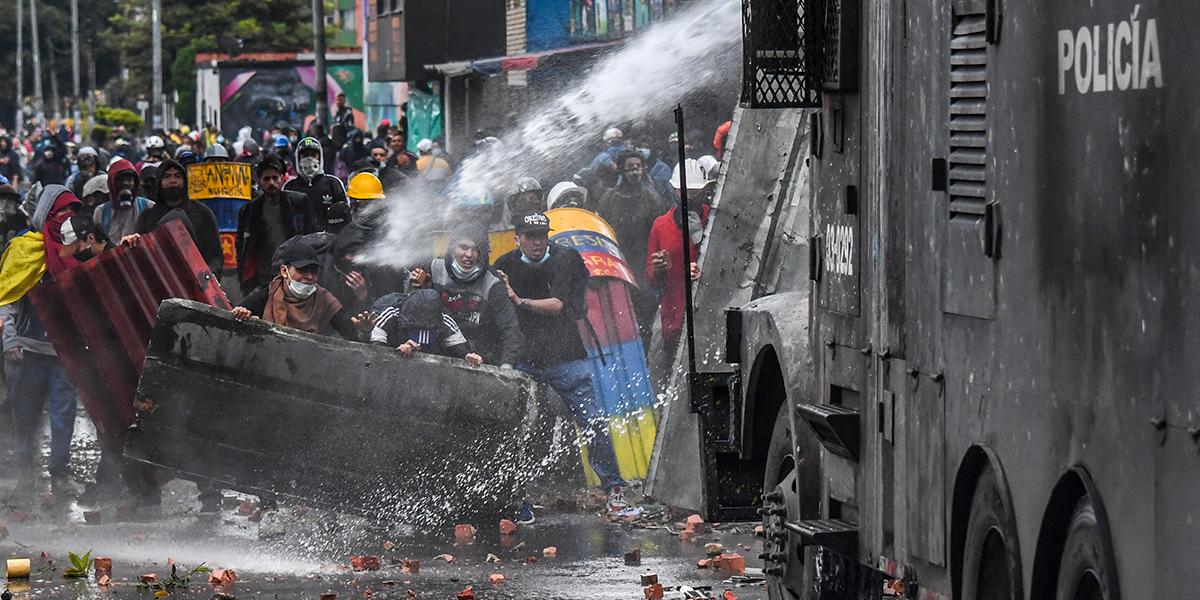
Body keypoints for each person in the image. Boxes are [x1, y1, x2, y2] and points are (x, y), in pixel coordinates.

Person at [492, 213, 629, 513]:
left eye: (542, 235)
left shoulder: (566, 259)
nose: (538, 242)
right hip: (524, 358)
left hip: (565, 356)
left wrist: (519, 300)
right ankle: (513, 496)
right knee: (512, 429)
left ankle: (614, 488)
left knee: (593, 421)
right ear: (517, 238)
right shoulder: (504, 266)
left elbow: (558, 306)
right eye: (530, 236)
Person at [0, 185, 83, 499]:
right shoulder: (24, 249)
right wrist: (10, 341)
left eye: (71, 212)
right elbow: (6, 297)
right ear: (45, 213)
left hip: (63, 352)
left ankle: (59, 475)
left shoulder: (76, 249)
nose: (66, 218)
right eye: (60, 211)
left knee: (63, 414)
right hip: (29, 350)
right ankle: (25, 474)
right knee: (26, 414)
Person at [410, 227, 523, 367]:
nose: (469, 254)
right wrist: (420, 288)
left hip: (477, 357)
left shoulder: (493, 282)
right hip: (437, 351)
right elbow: (409, 309)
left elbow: (510, 328)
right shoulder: (434, 268)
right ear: (452, 248)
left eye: (475, 249)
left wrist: (507, 366)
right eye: (463, 247)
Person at [594, 149, 669, 347]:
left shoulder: (652, 198)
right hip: (617, 264)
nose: (635, 172)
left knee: (644, 313)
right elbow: (602, 232)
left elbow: (659, 233)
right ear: (621, 171)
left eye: (638, 167)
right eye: (630, 168)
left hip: (643, 264)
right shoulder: (608, 199)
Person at [231, 241, 369, 340]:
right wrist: (241, 314)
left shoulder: (324, 299)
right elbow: (234, 318)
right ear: (284, 271)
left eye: (314, 271)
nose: (309, 277)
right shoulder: (267, 295)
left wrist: (363, 331)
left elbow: (351, 333)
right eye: (302, 270)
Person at [645, 158, 708, 368]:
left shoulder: (715, 219)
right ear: (674, 190)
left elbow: (727, 264)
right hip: (674, 317)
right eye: (684, 191)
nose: (689, 197)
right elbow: (652, 280)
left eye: (694, 191)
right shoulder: (661, 225)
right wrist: (659, 270)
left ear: (704, 190)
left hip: (707, 314)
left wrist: (700, 240)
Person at [236, 154, 318, 295]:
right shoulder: (250, 210)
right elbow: (242, 245)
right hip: (263, 277)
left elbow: (311, 236)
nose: (271, 183)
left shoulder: (299, 202)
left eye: (275, 178)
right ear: (259, 182)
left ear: (282, 179)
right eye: (266, 179)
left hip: (294, 274)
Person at [133, 160, 224, 274]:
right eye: (167, 177)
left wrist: (208, 275)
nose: (173, 181)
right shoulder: (147, 217)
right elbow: (140, 255)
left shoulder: (202, 213)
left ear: (185, 182)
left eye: (178, 176)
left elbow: (216, 255)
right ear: (159, 182)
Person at [367, 288, 482, 366]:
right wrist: (395, 351)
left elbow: (460, 350)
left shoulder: (445, 321)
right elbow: (375, 349)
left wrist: (469, 356)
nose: (419, 345)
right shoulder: (389, 315)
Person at [285, 137, 348, 230]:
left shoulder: (333, 184)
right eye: (304, 155)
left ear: (320, 157)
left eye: (313, 155)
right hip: (298, 242)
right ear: (298, 158)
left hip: (328, 241)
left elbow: (345, 215)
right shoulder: (289, 187)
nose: (309, 159)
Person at [95, 159, 154, 241]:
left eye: (129, 180)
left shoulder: (148, 206)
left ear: (135, 183)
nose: (125, 183)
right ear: (111, 184)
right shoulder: (101, 212)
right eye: (120, 180)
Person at [0, 179, 26, 249]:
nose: (5, 204)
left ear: (16, 204)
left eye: (10, 200)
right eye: (2, 199)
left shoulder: (22, 221)